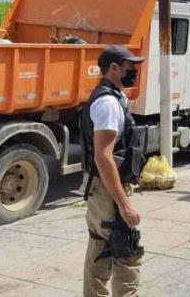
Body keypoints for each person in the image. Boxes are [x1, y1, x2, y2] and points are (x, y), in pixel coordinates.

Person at [80, 45, 146, 296]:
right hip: (107, 189)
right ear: (115, 68)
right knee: (127, 251)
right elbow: (103, 155)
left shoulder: (111, 96)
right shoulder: (108, 103)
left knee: (101, 246)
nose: (135, 71)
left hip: (102, 187)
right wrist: (123, 203)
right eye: (131, 67)